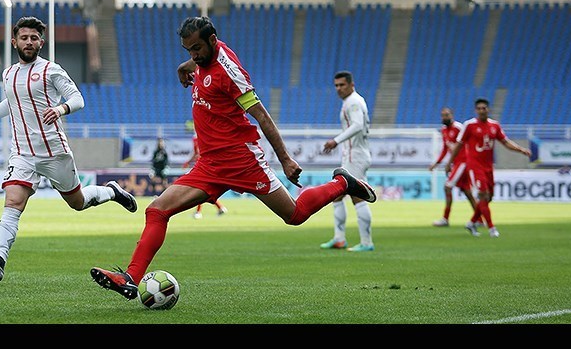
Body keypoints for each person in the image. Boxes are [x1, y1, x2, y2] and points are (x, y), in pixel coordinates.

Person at [89, 16, 376, 301]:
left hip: (242, 162)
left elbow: (261, 115)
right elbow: (200, 61)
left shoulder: (230, 74)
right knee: (157, 210)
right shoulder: (204, 57)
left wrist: (286, 159)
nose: (194, 55)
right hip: (209, 164)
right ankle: (130, 279)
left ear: (212, 41)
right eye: (188, 50)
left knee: (295, 215)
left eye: (197, 49)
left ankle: (342, 183)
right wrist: (185, 65)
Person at [0, 16, 138, 282]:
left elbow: (78, 99)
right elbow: (11, 102)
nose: (29, 42)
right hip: (22, 153)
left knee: (77, 202)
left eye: (34, 38)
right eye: (24, 37)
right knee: (13, 202)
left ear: (41, 42)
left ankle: (111, 191)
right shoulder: (8, 73)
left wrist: (60, 108)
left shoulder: (51, 70)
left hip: (53, 152)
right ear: (14, 41)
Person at [447, 97, 531, 238]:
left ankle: (472, 222)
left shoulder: (494, 125)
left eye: (484, 108)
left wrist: (521, 150)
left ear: (488, 109)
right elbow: (459, 145)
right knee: (483, 195)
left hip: (488, 167)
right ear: (476, 110)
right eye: (479, 108)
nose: (481, 111)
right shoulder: (469, 125)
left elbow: (505, 142)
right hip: (474, 166)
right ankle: (492, 229)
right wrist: (450, 162)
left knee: (489, 197)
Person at [320, 71, 375, 252]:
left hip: (356, 155)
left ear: (351, 85)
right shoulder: (351, 102)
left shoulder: (353, 102)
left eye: (342, 85)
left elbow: (358, 125)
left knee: (357, 196)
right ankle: (339, 239)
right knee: (337, 195)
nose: (338, 89)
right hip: (352, 155)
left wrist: (336, 141)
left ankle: (366, 242)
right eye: (336, 85)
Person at [428, 106, 479, 227]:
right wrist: (436, 164)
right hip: (456, 163)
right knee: (468, 193)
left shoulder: (458, 128)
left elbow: (465, 145)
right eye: (443, 115)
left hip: (463, 162)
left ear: (452, 115)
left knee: (447, 187)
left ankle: (445, 219)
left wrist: (449, 163)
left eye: (447, 115)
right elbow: (445, 149)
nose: (444, 117)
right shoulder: (444, 130)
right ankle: (480, 219)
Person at [182, 132, 227, 218]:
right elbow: (196, 153)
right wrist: (188, 162)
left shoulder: (206, 134)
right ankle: (220, 208)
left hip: (206, 165)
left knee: (200, 189)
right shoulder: (195, 138)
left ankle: (199, 212)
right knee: (203, 189)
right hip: (200, 165)